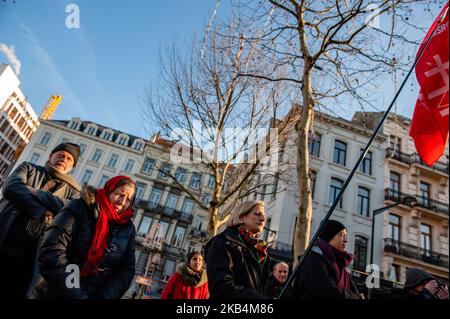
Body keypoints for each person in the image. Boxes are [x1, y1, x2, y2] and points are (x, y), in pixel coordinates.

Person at [32, 175, 137, 299]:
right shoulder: (79, 207)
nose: (122, 202)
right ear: (109, 190)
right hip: (56, 292)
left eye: (128, 199)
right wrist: (76, 294)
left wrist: (104, 296)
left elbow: (126, 270)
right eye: (120, 194)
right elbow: (52, 250)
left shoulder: (128, 228)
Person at [0, 142, 81, 299]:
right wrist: (44, 212)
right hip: (4, 242)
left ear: (72, 167)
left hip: (32, 259)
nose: (64, 159)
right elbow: (12, 188)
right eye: (61, 154)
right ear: (51, 156)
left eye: (69, 158)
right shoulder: (28, 168)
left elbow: (70, 208)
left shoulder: (75, 191)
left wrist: (37, 193)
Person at [204, 200, 271, 299]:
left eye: (264, 215)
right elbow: (221, 288)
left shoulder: (260, 252)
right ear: (241, 217)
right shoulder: (222, 242)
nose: (263, 218)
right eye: (257, 214)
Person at [292, 219, 362, 299]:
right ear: (328, 236)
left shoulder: (341, 266)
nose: (345, 240)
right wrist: (354, 297)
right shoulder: (312, 261)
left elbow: (357, 294)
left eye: (345, 236)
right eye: (340, 235)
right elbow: (330, 293)